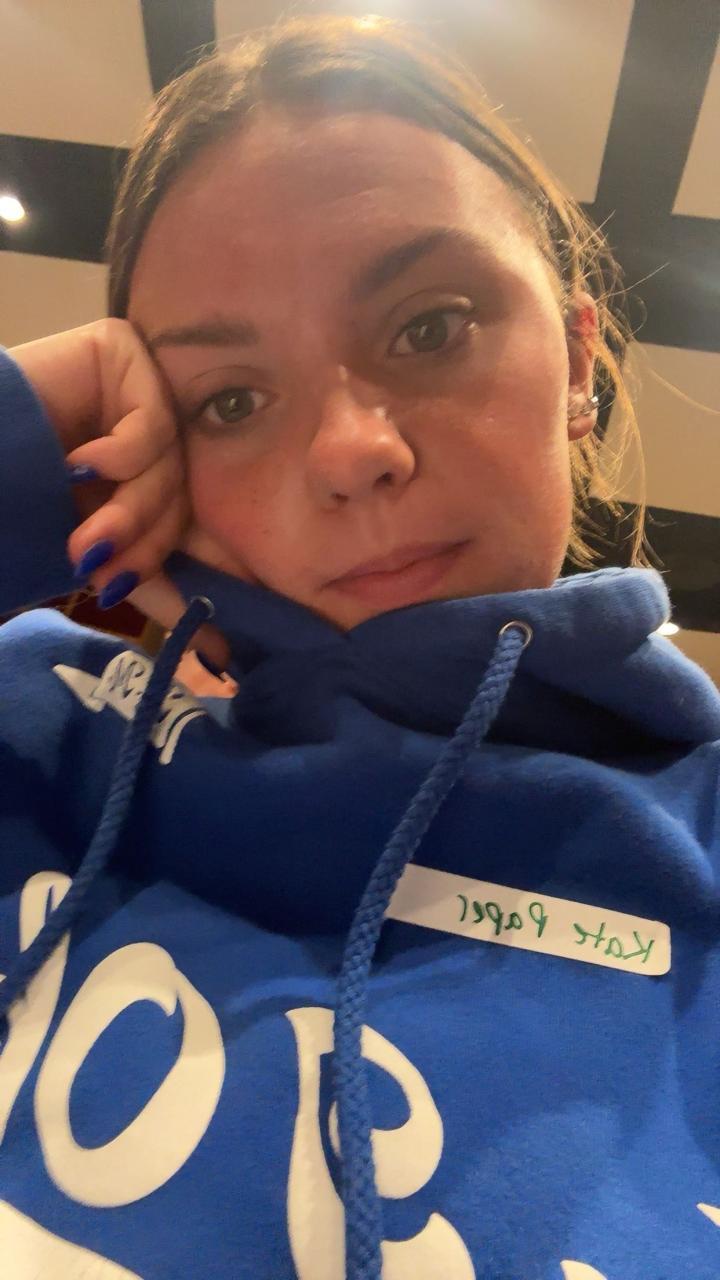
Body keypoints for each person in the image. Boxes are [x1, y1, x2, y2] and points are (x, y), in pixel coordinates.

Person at [0, 13, 718, 1280]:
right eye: (229, 399)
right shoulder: (37, 726)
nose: (350, 451)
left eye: (430, 326)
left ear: (578, 361)